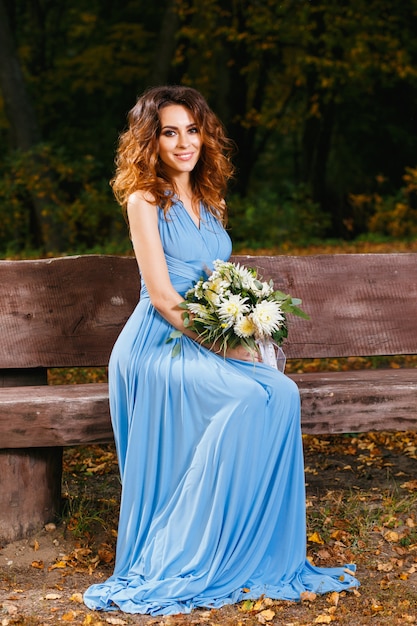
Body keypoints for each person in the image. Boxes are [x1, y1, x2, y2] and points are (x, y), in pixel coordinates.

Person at [83, 85, 359, 616]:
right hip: (158, 346)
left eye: (192, 129)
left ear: (204, 136)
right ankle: (187, 544)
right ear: (151, 141)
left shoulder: (210, 199)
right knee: (247, 399)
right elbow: (164, 297)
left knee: (280, 392)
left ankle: (251, 548)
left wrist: (249, 321)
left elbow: (218, 281)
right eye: (169, 132)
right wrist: (226, 345)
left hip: (207, 336)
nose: (184, 142)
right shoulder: (145, 199)